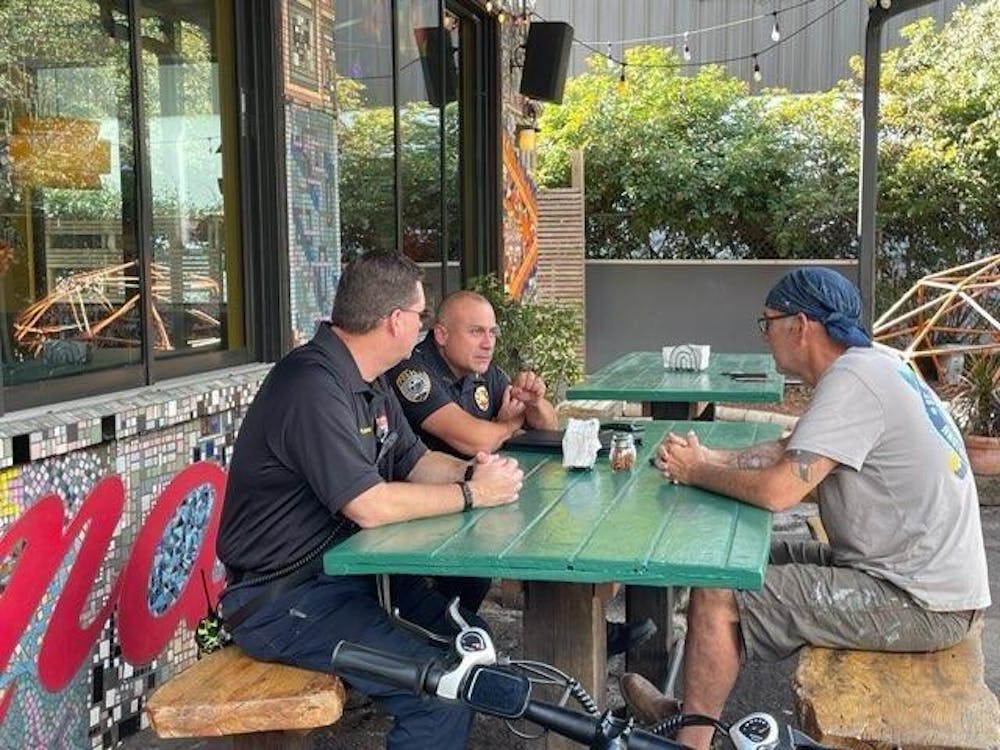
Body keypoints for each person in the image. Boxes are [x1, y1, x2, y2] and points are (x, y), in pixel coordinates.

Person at [620, 268, 991, 750]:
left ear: (799, 325)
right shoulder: (872, 363)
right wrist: (710, 458)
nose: (765, 336)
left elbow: (779, 491)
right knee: (734, 561)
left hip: (918, 601)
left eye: (767, 323)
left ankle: (689, 741)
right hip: (904, 574)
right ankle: (690, 714)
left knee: (721, 593)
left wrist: (694, 473)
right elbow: (793, 449)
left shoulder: (854, 380)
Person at [216, 252, 524, 750]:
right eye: (422, 317)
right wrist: (471, 494)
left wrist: (478, 472)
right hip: (283, 600)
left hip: (353, 573)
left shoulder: (370, 378)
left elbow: (417, 461)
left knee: (474, 639)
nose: (423, 328)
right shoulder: (311, 384)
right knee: (440, 695)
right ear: (394, 321)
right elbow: (369, 505)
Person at [388, 289, 657, 656]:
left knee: (545, 514)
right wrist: (507, 423)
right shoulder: (414, 374)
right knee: (524, 525)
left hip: (474, 498)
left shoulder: (483, 373)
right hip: (425, 512)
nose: (488, 343)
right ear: (441, 334)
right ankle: (455, 635)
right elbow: (471, 439)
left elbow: (546, 425)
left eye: (493, 332)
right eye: (476, 332)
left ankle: (574, 625)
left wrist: (535, 402)